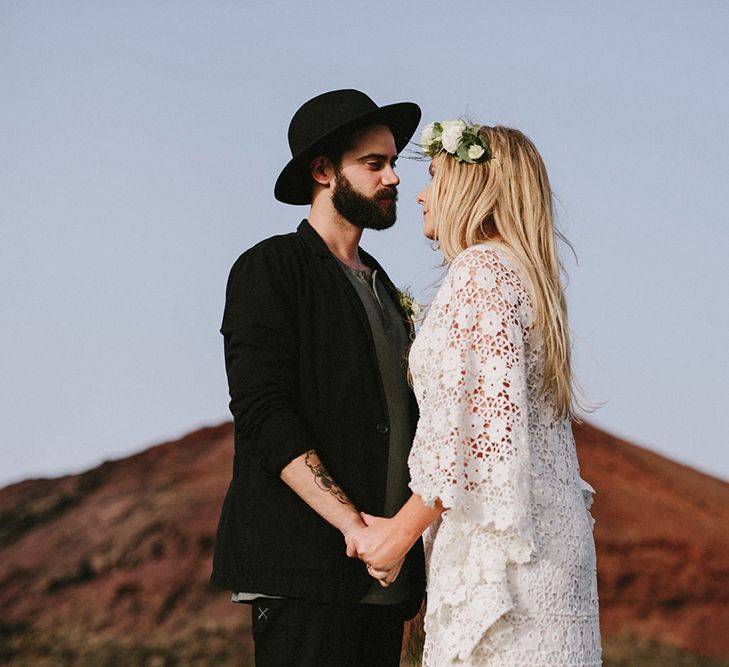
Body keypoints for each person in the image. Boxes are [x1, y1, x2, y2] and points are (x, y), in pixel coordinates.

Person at [351, 121, 602, 665]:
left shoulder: (481, 272)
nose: (420, 193)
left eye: (435, 177)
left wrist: (397, 535)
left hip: (505, 566)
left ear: (473, 188)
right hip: (550, 553)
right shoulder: (524, 276)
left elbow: (483, 438)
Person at [209, 89, 426, 667]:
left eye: (394, 164)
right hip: (305, 570)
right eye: (373, 164)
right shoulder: (270, 267)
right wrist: (355, 528)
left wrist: (397, 540)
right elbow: (263, 413)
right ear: (323, 171)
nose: (393, 179)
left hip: (386, 584)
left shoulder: (383, 283)